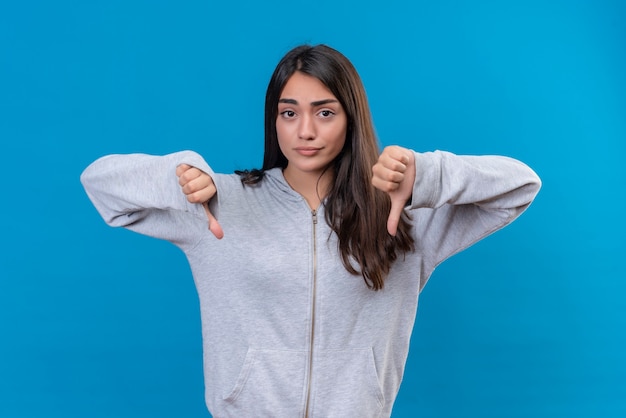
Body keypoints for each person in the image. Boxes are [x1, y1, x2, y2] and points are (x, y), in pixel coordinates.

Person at [81, 44, 541, 417]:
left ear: (351, 119)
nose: (305, 131)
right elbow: (99, 183)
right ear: (274, 119)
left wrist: (426, 176)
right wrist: (177, 176)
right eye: (289, 113)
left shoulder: (402, 217)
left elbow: (520, 185)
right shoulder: (216, 204)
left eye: (324, 113)